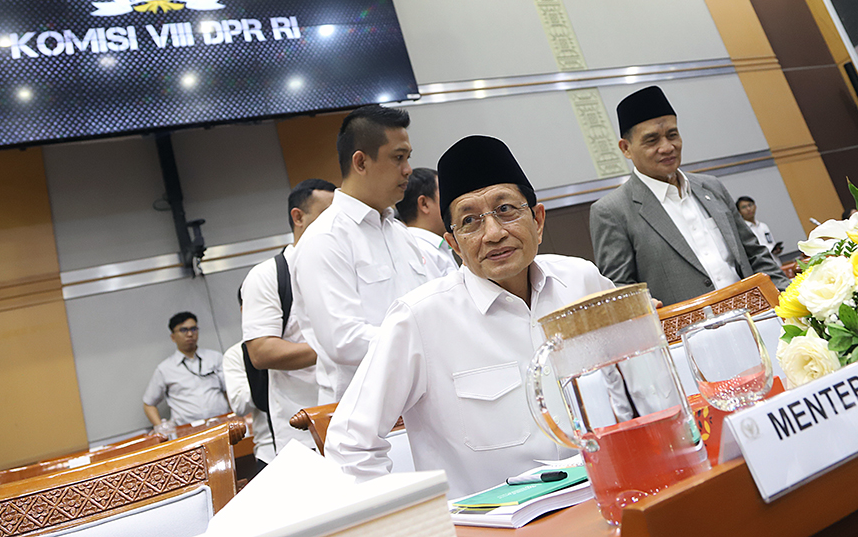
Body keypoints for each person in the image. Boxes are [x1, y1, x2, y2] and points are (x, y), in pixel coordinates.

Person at [325, 135, 617, 498]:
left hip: (610, 494)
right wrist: (415, 522)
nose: (494, 234)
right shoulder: (419, 319)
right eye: (470, 221)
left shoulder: (583, 282)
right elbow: (350, 444)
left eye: (506, 210)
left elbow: (631, 381)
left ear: (538, 220)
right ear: (454, 245)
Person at [293, 105, 442, 403]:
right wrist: (430, 339)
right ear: (360, 162)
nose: (408, 170)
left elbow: (440, 304)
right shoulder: (325, 239)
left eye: (408, 158)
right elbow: (343, 341)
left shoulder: (400, 233)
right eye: (398, 158)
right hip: (366, 412)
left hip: (425, 396)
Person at [589, 85, 788, 307]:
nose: (667, 147)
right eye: (652, 140)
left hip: (756, 319)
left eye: (672, 135)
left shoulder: (711, 187)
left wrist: (790, 301)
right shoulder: (612, 211)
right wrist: (641, 306)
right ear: (626, 148)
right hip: (686, 336)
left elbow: (755, 253)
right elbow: (620, 289)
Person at [241, 178, 336, 454]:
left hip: (358, 415)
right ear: (299, 217)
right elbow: (261, 352)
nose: (336, 226)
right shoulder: (268, 275)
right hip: (300, 427)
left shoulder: (344, 266)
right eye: (327, 216)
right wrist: (338, 348)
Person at [142, 312, 229, 427]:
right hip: (187, 430)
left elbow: (229, 390)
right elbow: (149, 404)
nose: (190, 334)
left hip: (221, 423)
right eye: (183, 330)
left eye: (193, 329)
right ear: (173, 337)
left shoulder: (215, 358)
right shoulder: (165, 369)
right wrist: (162, 429)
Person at [396, 167, 459, 276]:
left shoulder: (435, 247)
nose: (451, 204)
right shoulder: (419, 250)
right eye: (444, 196)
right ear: (424, 204)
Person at [222, 342, 274, 472]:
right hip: (270, 450)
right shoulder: (236, 353)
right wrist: (259, 373)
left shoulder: (303, 340)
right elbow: (239, 406)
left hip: (314, 437)